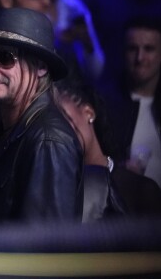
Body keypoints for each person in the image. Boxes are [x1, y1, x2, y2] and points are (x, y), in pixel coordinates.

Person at [0, 7, 83, 224]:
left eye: (5, 57)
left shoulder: (48, 140)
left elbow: (44, 248)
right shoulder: (9, 130)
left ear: (41, 67)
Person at [55, 80, 161, 219]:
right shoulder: (59, 195)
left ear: (88, 112)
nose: (57, 129)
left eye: (61, 115)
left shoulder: (140, 190)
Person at [99, 16, 161, 189]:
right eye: (133, 49)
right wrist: (119, 171)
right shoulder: (105, 106)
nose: (140, 58)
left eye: (149, 49)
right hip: (128, 210)